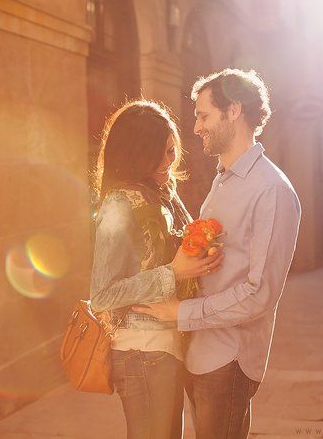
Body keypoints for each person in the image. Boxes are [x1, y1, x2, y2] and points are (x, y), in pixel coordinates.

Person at [135, 69, 301, 439]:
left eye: (203, 115)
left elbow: (261, 293)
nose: (196, 127)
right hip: (201, 350)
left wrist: (181, 313)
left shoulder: (271, 191)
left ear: (234, 111)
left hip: (228, 359)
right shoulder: (224, 179)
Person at [89, 100, 224, 439]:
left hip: (168, 345)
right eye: (162, 154)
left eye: (171, 152)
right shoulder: (119, 205)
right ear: (138, 152)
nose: (169, 162)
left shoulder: (162, 193)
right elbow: (103, 295)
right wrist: (173, 273)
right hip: (141, 350)